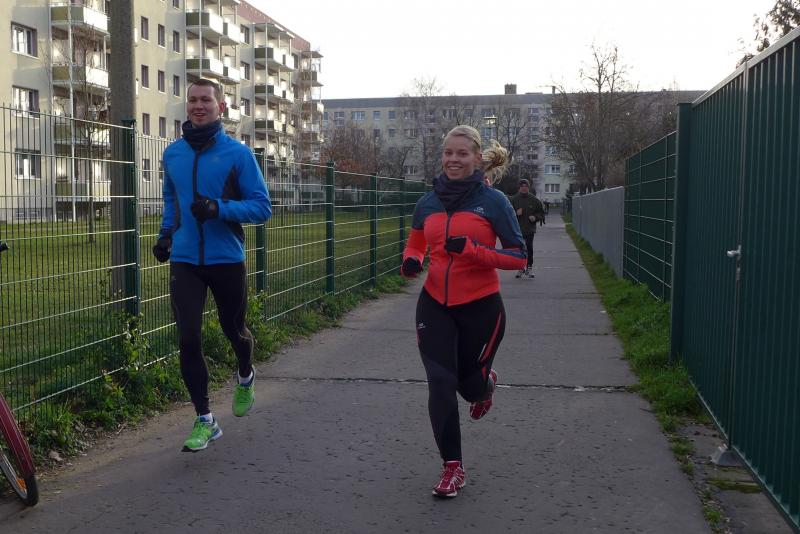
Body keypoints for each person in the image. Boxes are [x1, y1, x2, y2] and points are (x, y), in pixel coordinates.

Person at [400, 125, 527, 498]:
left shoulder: (494, 202)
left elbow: (518, 257)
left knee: (469, 388)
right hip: (434, 304)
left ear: (477, 158)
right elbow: (416, 243)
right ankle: (452, 467)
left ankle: (486, 387)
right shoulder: (428, 202)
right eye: (448, 153)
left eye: (462, 154)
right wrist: (411, 261)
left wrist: (472, 250)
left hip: (481, 307)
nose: (453, 160)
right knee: (441, 382)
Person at [152, 78, 272, 452]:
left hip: (226, 259)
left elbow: (262, 207)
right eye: (192, 100)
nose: (198, 105)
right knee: (188, 337)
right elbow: (171, 200)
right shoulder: (173, 154)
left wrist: (219, 208)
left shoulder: (238, 155)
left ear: (221, 107)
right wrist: (165, 234)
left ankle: (245, 373)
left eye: (206, 99)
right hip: (186, 260)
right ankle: (205, 419)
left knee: (234, 331)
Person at [509, 179, 545, 278]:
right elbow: (507, 214)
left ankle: (529, 268)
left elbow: (541, 213)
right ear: (519, 188)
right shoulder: (513, 199)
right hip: (517, 229)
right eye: (522, 186)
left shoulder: (534, 200)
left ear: (528, 188)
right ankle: (521, 268)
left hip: (529, 229)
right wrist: (515, 213)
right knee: (519, 249)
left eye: (526, 186)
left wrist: (535, 217)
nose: (524, 188)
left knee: (529, 248)